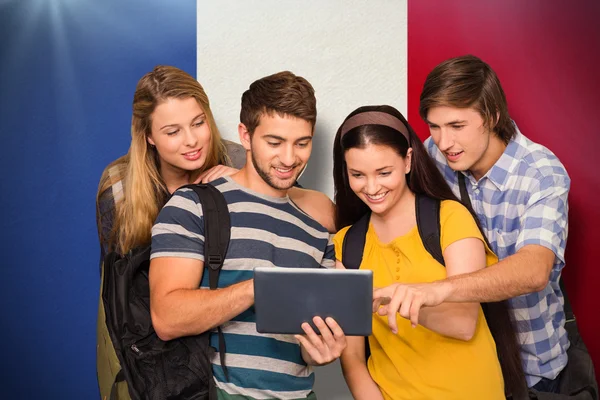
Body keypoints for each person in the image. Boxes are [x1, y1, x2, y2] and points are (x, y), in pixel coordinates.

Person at [148, 71, 347, 400]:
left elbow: (307, 350)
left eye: (302, 142)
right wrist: (259, 288)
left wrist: (321, 349)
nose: (288, 158)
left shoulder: (317, 226)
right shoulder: (193, 203)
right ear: (245, 135)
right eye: (274, 142)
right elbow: (166, 317)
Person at [379, 55, 571, 393]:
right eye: (434, 126)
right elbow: (382, 196)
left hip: (531, 368)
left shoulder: (541, 174)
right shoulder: (434, 155)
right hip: (461, 365)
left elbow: (534, 270)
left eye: (457, 126)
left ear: (493, 116)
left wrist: (438, 290)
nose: (444, 142)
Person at [332, 105, 524, 399]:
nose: (371, 187)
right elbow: (354, 359)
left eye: (384, 172)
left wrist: (391, 299)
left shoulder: (450, 218)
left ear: (408, 160)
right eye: (358, 174)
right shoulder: (347, 245)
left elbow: (463, 324)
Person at [96, 65, 334, 261]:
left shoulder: (239, 157)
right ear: (148, 136)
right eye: (173, 132)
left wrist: (245, 185)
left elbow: (302, 213)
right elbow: (116, 282)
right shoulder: (119, 185)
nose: (191, 141)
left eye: (198, 123)